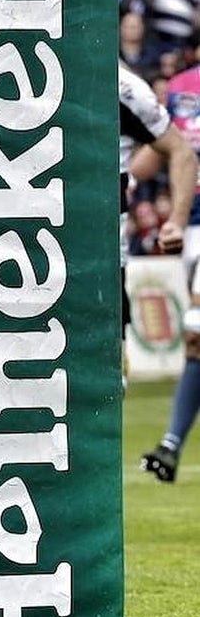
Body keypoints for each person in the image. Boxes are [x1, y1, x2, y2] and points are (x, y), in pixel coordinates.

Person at [132, 63, 200, 482]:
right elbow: (162, 148)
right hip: (189, 227)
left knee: (196, 332)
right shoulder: (181, 86)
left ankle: (172, 443)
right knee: (196, 342)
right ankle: (172, 444)